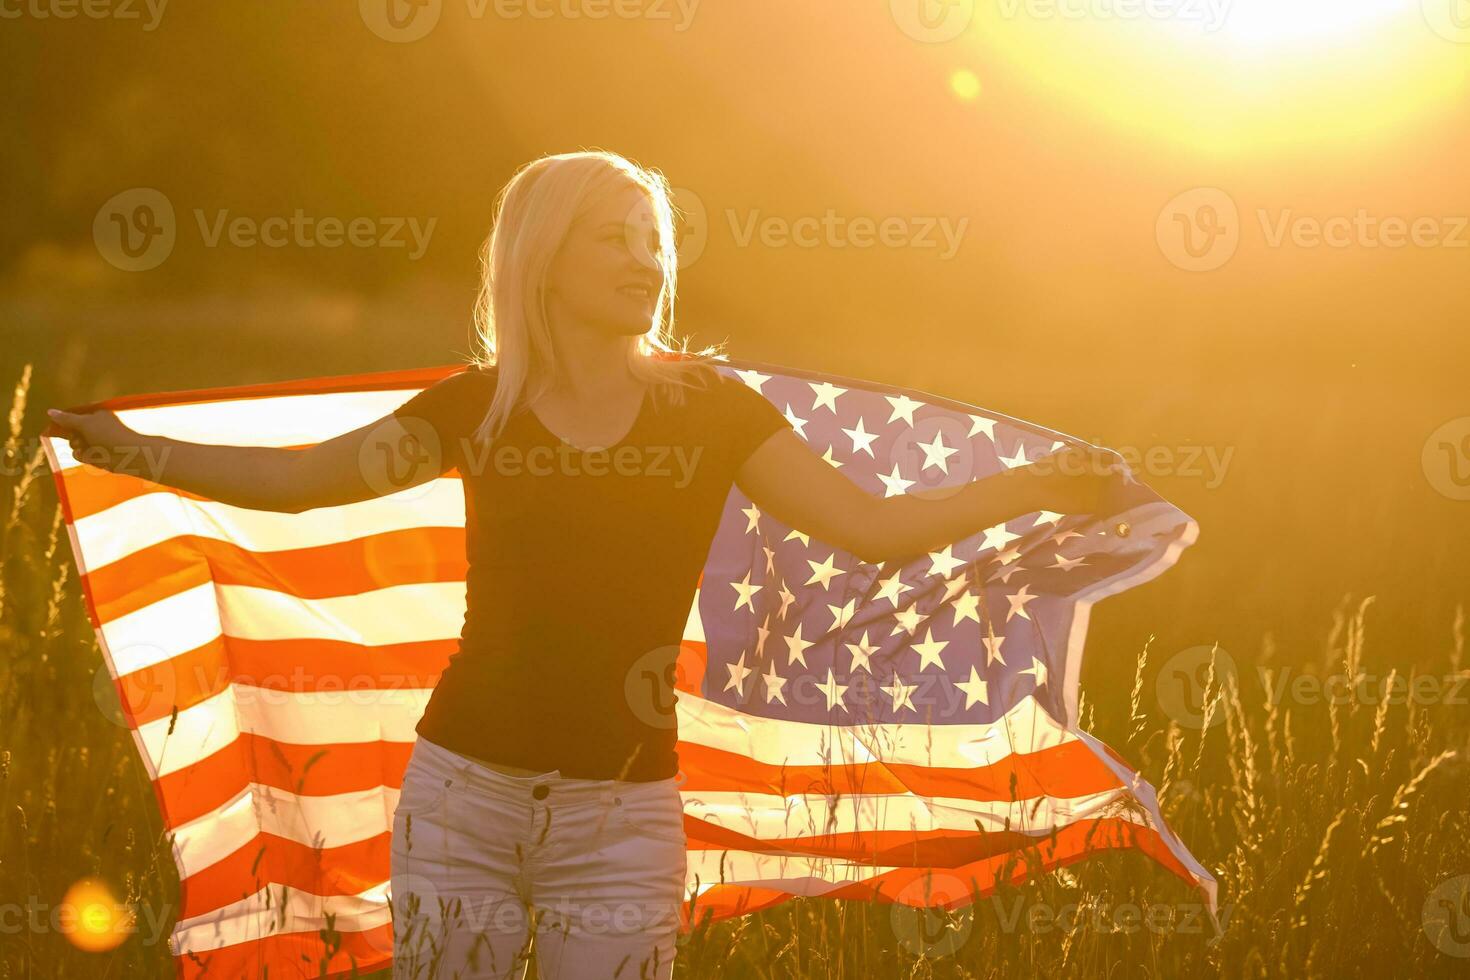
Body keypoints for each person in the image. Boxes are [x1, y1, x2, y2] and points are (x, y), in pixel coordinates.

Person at [47, 150, 1115, 979]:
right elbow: (307, 481)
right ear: (543, 257)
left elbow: (870, 525)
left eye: (653, 240)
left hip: (624, 818)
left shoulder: (709, 406)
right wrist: (129, 450)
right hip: (462, 801)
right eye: (612, 238)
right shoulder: (480, 405)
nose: (644, 259)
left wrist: (1034, 488)